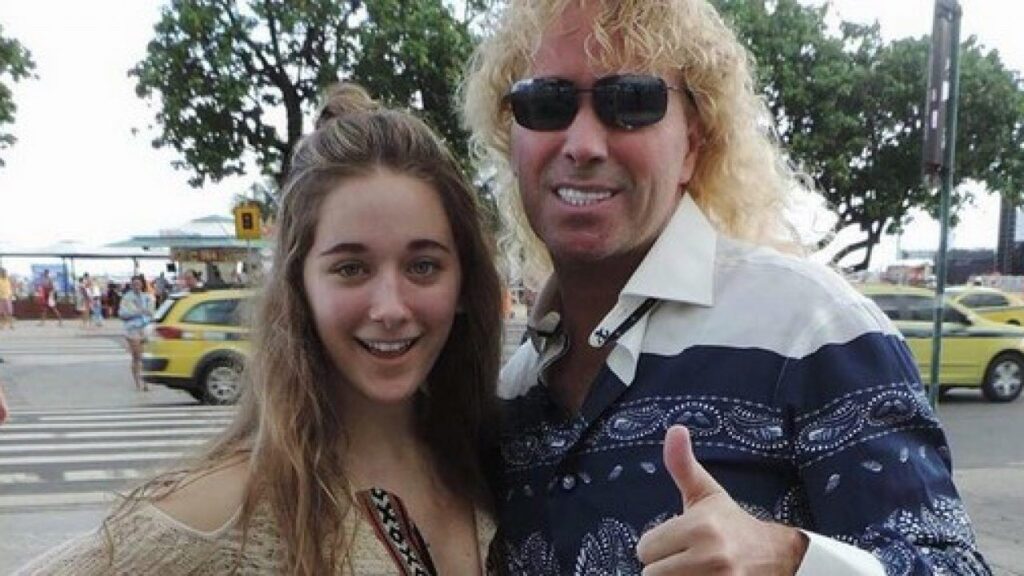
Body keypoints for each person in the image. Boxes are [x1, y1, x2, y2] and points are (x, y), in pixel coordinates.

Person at [462, 0, 990, 574]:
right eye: (546, 103)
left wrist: (791, 560)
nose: (583, 143)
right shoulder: (512, 389)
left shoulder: (811, 329)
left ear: (693, 145)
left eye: (631, 102)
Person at [16, 83, 503, 575]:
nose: (390, 307)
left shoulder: (494, 465)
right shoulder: (232, 506)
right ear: (298, 286)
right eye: (351, 269)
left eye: (423, 266)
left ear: (464, 283)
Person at [117, 275, 154, 393]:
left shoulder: (146, 296)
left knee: (144, 356)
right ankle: (139, 382)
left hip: (145, 327)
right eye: (134, 284)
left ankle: (145, 381)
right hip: (132, 329)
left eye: (139, 283)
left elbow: (151, 312)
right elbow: (122, 314)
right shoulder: (127, 298)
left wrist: (148, 314)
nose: (137, 286)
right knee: (137, 356)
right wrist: (138, 312)